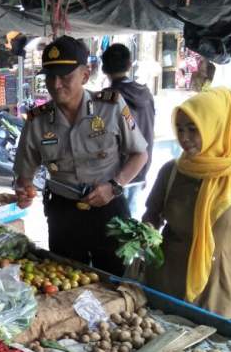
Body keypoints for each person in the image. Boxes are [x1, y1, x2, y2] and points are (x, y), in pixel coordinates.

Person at [13, 36, 149, 276]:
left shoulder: (111, 106)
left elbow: (140, 154)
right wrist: (24, 192)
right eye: (50, 77)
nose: (56, 85)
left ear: (85, 76)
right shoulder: (37, 121)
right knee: (66, 279)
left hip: (109, 210)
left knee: (115, 281)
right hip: (63, 214)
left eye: (65, 77)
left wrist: (115, 185)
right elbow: (24, 177)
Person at [142, 87, 231, 324]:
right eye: (180, 129)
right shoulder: (172, 171)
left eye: (193, 129)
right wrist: (144, 236)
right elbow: (152, 214)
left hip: (218, 292)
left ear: (217, 127)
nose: (184, 137)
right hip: (164, 285)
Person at [101, 44, 155, 214]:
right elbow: (150, 129)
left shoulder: (107, 97)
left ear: (104, 68)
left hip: (117, 176)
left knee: (114, 223)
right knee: (130, 224)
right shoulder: (146, 93)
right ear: (129, 65)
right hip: (140, 169)